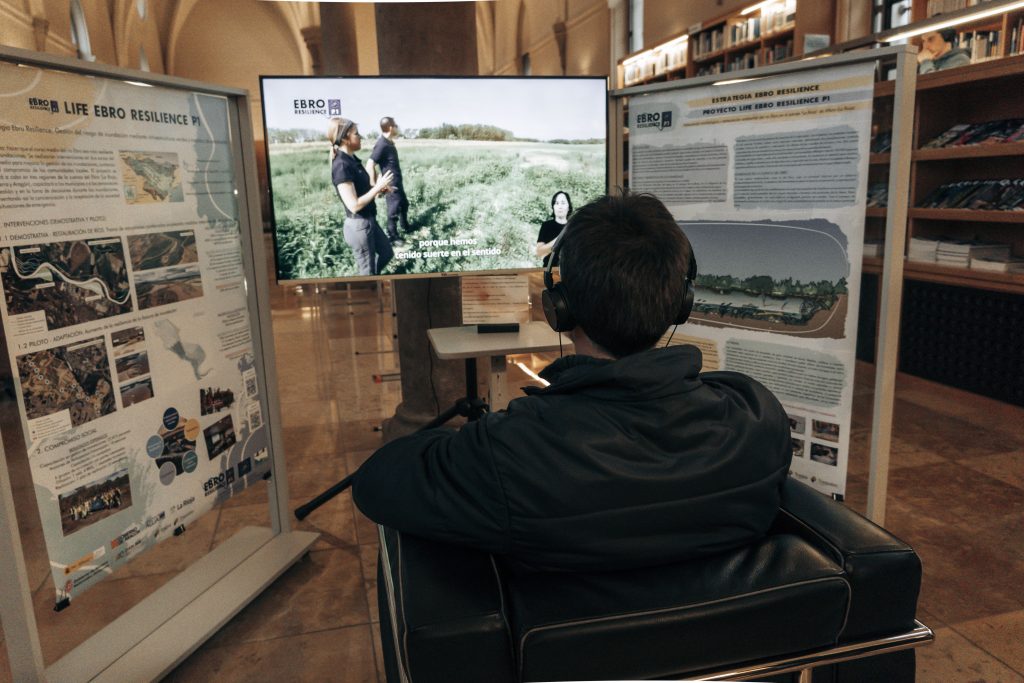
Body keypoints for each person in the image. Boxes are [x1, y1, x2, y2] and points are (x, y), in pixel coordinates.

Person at [353, 191, 792, 572]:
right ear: (682, 303)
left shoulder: (512, 452)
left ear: (558, 307)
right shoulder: (757, 416)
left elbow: (376, 482)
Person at [328, 117, 394, 276]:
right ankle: (371, 288)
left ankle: (374, 279)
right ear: (345, 138)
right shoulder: (341, 165)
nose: (361, 137)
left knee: (387, 253)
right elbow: (354, 205)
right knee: (367, 272)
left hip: (369, 221)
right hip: (359, 226)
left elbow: (363, 192)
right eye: (356, 134)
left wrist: (378, 190)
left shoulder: (352, 160)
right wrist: (377, 187)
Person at [366, 116, 409, 246]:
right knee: (393, 210)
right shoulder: (382, 144)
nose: (397, 127)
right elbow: (369, 164)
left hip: (397, 182)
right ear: (391, 127)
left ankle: (405, 226)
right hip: (390, 184)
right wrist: (375, 186)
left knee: (405, 204)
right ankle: (393, 236)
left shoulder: (389, 142)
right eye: (395, 125)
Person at [535, 190, 572, 267]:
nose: (560, 206)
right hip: (549, 271)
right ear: (553, 207)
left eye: (563, 203)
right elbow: (539, 252)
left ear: (568, 207)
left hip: (570, 272)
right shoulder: (546, 226)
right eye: (556, 203)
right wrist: (559, 238)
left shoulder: (573, 227)